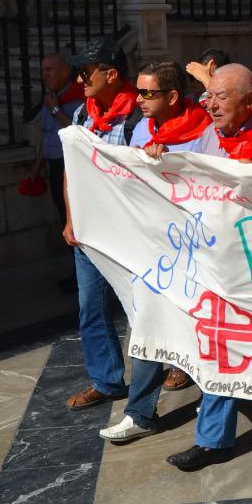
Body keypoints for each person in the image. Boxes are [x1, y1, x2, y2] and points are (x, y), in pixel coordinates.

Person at [122, 65, 252, 469]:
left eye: (222, 97)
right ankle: (213, 440)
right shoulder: (209, 132)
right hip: (214, 261)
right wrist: (163, 159)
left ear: (250, 101)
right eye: (210, 95)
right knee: (219, 347)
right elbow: (192, 173)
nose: (211, 103)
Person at [62, 35, 141, 410]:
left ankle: (168, 374)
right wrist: (70, 218)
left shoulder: (139, 114)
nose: (80, 79)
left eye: (85, 71)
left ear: (111, 74)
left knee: (142, 308)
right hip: (89, 231)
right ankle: (107, 381)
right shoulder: (82, 114)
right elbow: (71, 172)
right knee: (91, 307)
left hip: (129, 231)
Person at [129, 59, 213, 393]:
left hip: (192, 237)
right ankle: (142, 404)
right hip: (152, 234)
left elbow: (207, 177)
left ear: (174, 96)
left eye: (148, 92)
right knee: (154, 310)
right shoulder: (140, 129)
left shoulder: (204, 129)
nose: (139, 99)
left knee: (190, 307)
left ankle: (187, 364)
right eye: (138, 92)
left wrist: (168, 165)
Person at [29, 54, 83, 230]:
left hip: (71, 165)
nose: (44, 74)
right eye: (42, 70)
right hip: (54, 165)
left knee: (75, 217)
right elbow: (48, 135)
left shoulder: (78, 97)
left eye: (49, 69)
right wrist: (37, 167)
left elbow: (77, 132)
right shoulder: (50, 97)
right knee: (63, 214)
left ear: (65, 71)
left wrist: (55, 109)